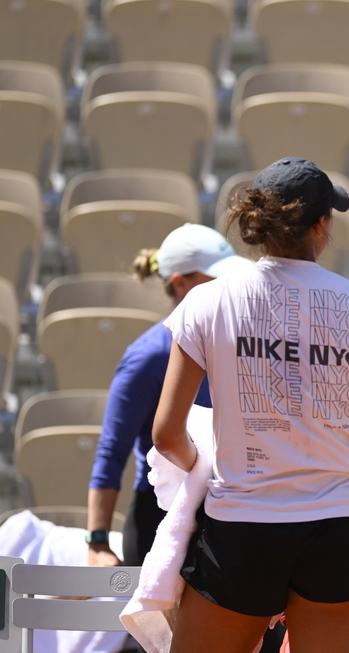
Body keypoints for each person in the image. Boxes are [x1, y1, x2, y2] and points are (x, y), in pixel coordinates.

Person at [152, 157, 349, 653]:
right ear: (321, 225)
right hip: (340, 527)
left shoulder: (205, 302)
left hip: (243, 527)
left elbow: (165, 435)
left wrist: (202, 470)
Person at [87, 224, 254, 568]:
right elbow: (112, 450)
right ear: (181, 284)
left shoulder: (243, 343)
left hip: (227, 515)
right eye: (217, 277)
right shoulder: (147, 356)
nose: (229, 286)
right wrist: (98, 542)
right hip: (158, 520)